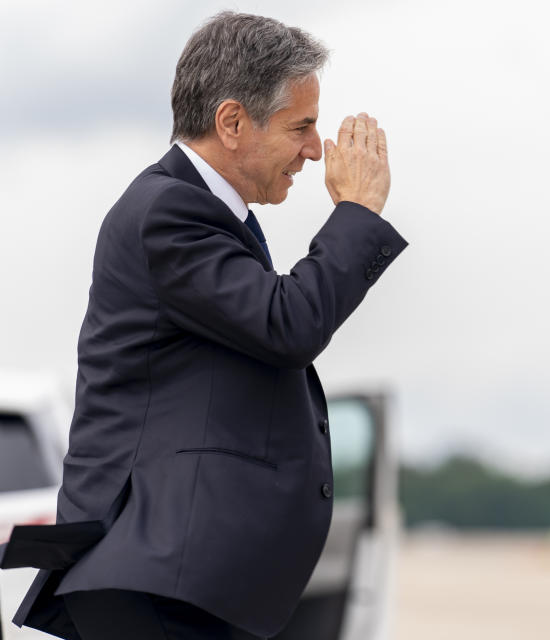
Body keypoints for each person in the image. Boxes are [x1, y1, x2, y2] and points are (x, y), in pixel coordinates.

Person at [0, 11, 406, 640]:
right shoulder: (170, 210)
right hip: (158, 579)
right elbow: (288, 324)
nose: (313, 149)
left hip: (170, 581)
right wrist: (356, 213)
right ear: (233, 122)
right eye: (300, 127)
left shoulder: (205, 213)